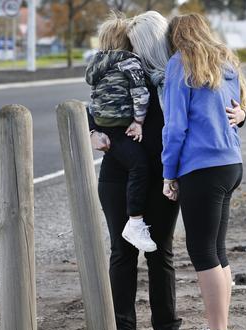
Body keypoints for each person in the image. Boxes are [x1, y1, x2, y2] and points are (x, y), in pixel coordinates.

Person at [88, 11, 246, 330]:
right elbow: (97, 105)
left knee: (161, 252)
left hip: (165, 176)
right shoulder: (127, 74)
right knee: (123, 251)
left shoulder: (177, 73)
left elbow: (220, 103)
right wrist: (94, 130)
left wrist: (244, 114)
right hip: (121, 177)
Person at [160, 14, 246, 330]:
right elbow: (240, 109)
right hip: (231, 165)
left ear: (175, 37)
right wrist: (242, 115)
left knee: (203, 251)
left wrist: (169, 172)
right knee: (217, 250)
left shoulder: (180, 62)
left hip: (202, 167)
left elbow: (175, 127)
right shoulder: (224, 59)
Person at [85, 14, 156, 252]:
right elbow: (140, 94)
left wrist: (95, 127)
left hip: (104, 123)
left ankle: (134, 222)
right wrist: (138, 120)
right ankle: (135, 220)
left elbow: (92, 98)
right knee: (139, 166)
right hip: (121, 127)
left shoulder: (96, 64)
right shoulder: (131, 62)